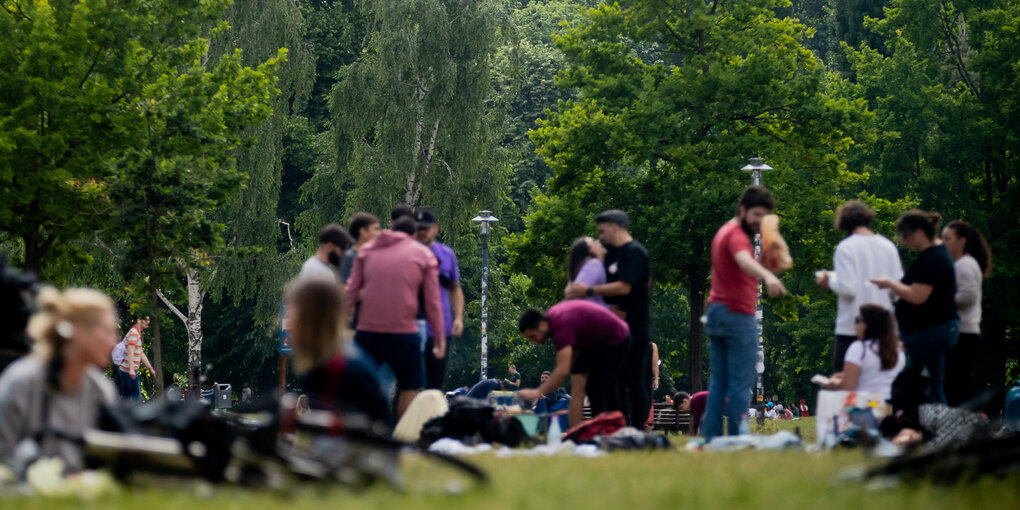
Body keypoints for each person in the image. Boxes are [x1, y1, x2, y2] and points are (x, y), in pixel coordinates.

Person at [0, 287, 118, 472]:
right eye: (107, 331)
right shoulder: (21, 383)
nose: (113, 342)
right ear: (78, 331)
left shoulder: (100, 390)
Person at [702, 186, 787, 441]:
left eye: (764, 217)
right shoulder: (737, 234)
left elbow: (742, 266)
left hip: (717, 311)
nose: (759, 222)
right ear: (743, 210)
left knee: (719, 380)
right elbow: (743, 260)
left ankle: (712, 436)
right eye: (756, 215)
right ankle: (739, 435)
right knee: (742, 378)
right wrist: (768, 276)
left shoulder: (724, 232)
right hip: (736, 315)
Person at [345, 215, 446, 419]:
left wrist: (344, 326)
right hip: (404, 331)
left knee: (363, 382)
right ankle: (402, 436)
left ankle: (366, 431)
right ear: (413, 234)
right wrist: (439, 337)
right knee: (410, 386)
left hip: (368, 331)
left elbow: (351, 292)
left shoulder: (366, 251)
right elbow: (432, 302)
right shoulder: (423, 254)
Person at [566, 209, 651, 427]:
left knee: (635, 379)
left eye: (602, 231)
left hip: (635, 324)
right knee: (612, 381)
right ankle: (615, 425)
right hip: (613, 329)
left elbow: (625, 286)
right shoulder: (612, 254)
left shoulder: (635, 252)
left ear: (615, 226)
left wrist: (588, 291)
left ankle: (637, 428)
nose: (601, 237)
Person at [871, 210, 958, 404]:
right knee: (927, 385)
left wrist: (890, 283)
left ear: (918, 232)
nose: (905, 241)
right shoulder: (932, 255)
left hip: (931, 332)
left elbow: (918, 296)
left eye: (906, 236)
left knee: (925, 385)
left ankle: (937, 425)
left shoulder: (933, 258)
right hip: (928, 331)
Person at [816, 200, 903, 371]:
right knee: (878, 385)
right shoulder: (888, 246)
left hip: (852, 326)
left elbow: (848, 288)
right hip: (884, 328)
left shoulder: (845, 247)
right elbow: (897, 289)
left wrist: (830, 281)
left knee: (846, 387)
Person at [288, 278, 389, 425]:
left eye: (293, 314)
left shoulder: (334, 372)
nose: (289, 323)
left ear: (308, 320)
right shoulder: (340, 361)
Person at [517, 300, 631, 427]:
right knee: (578, 387)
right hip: (589, 343)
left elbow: (562, 369)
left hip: (616, 338)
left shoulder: (559, 324)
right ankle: (576, 433)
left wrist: (537, 392)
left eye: (532, 336)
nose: (533, 341)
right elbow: (563, 371)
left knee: (597, 387)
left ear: (542, 325)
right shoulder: (554, 322)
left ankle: (614, 429)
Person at [941, 220, 992, 406]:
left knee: (956, 384)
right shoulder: (962, 264)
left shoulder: (965, 264)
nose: (943, 242)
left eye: (947, 238)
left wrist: (939, 299)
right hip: (962, 332)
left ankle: (962, 425)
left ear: (961, 241)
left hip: (963, 333)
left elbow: (968, 297)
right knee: (956, 383)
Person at [413, 208, 464, 390]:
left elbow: (455, 288)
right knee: (410, 383)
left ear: (435, 229)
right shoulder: (406, 253)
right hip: (410, 327)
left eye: (425, 229)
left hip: (441, 328)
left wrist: (458, 317)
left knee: (435, 383)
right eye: (417, 228)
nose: (421, 232)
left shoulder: (446, 254)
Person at [820, 304, 906, 401]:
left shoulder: (859, 348)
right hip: (889, 407)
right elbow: (878, 375)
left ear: (868, 324)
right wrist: (846, 375)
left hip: (864, 408)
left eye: (857, 320)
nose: (855, 325)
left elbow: (847, 387)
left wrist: (833, 384)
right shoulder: (897, 351)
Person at [117, 316, 154, 400]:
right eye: (145, 319)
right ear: (138, 320)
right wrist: (131, 370)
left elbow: (141, 353)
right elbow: (130, 351)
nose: (148, 321)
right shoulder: (134, 333)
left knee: (127, 397)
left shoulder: (136, 333)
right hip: (128, 371)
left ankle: (116, 412)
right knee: (136, 398)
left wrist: (150, 368)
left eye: (148, 319)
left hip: (127, 370)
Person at [339, 212, 382, 284]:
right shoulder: (349, 258)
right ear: (363, 232)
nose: (379, 233)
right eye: (376, 229)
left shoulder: (376, 255)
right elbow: (343, 288)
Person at [567, 236, 608, 307]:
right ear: (590, 249)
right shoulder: (594, 264)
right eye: (593, 240)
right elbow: (577, 294)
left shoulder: (596, 265)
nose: (598, 241)